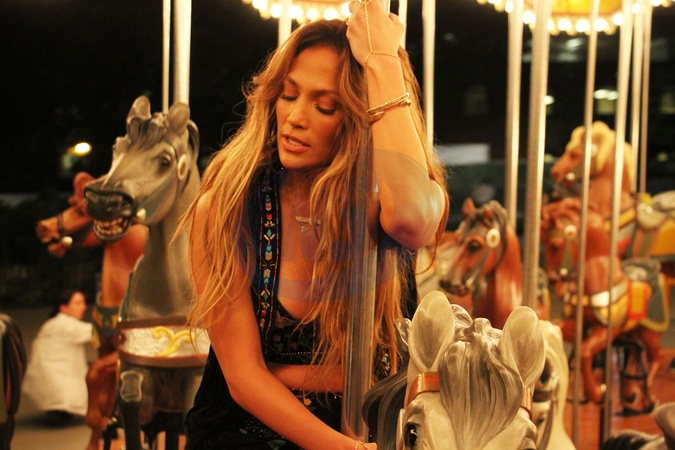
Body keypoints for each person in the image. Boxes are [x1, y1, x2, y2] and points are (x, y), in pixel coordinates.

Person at [181, 1, 449, 448]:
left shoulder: (396, 198)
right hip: (249, 428)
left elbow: (412, 221)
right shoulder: (228, 210)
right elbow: (245, 379)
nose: (295, 118)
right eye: (288, 95)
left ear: (361, 119)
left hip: (373, 424)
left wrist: (383, 62)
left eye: (325, 107)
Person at [21, 289, 94, 426]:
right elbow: (98, 333)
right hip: (58, 381)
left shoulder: (52, 324)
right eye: (78, 303)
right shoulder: (66, 325)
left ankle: (59, 412)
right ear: (63, 307)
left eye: (83, 303)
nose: (83, 307)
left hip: (42, 378)